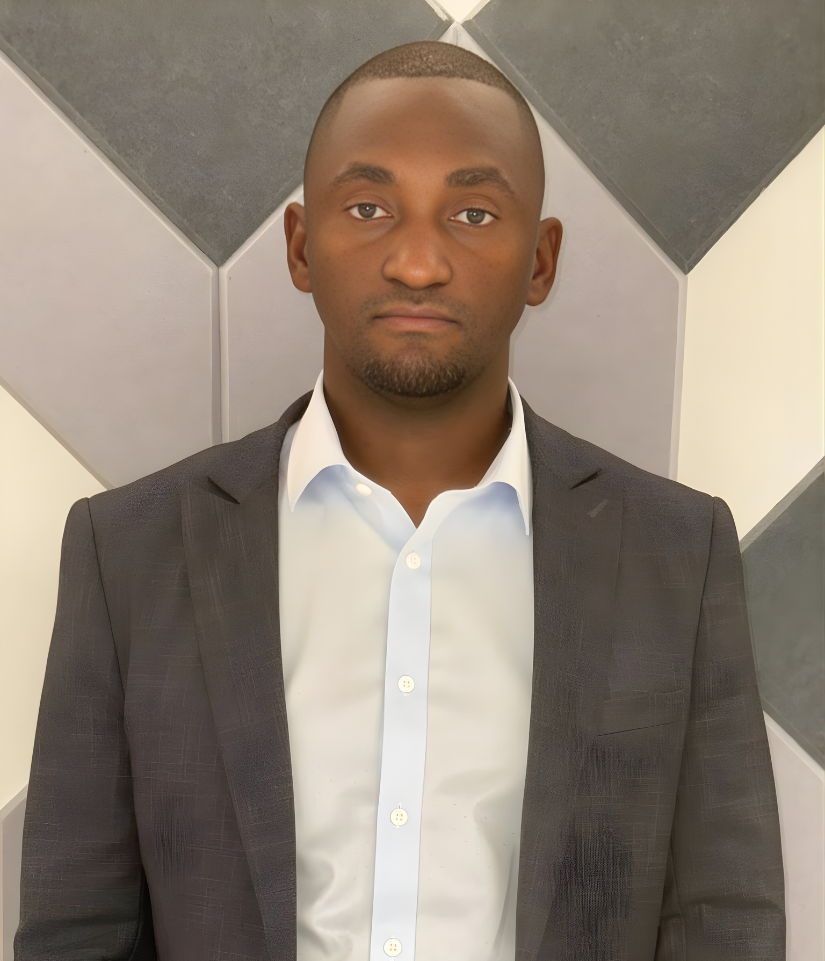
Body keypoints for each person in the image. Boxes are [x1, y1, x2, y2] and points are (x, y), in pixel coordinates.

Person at [15, 40, 784, 961]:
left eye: (472, 212)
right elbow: (76, 932)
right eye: (369, 208)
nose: (417, 264)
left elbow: (724, 923)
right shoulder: (129, 553)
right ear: (301, 246)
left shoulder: (675, 552)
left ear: (540, 262)